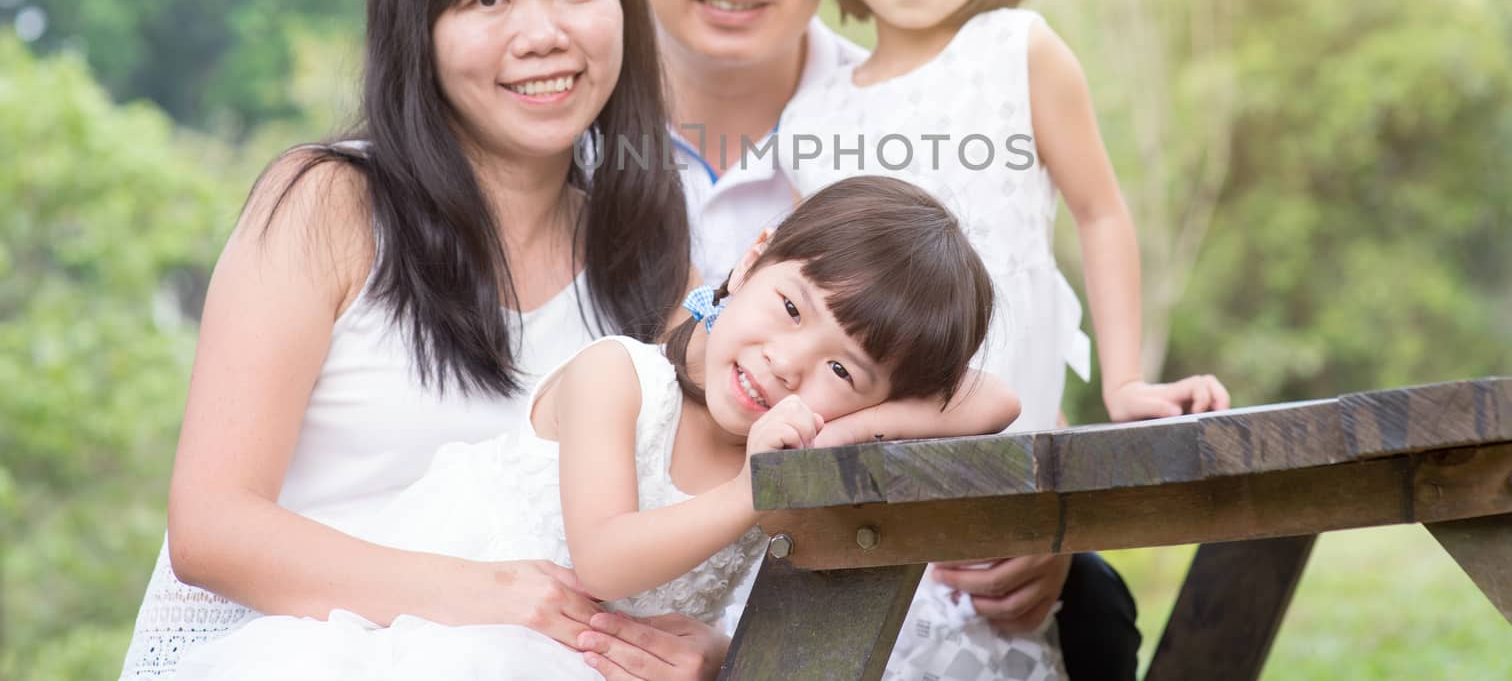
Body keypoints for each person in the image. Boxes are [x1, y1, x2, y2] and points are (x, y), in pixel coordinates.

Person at [617, 0, 1149, 679]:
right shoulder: (567, 117)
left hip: (976, 495)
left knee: (1085, 602)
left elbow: (1092, 224)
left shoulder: (995, 60)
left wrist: (1067, 485)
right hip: (738, 520)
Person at [120, 0, 696, 679]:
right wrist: (478, 593)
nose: (541, 34)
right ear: (415, 27)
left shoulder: (647, 263)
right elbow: (210, 525)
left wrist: (699, 647)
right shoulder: (328, 204)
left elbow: (685, 529)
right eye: (487, 0)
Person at [174, 176, 1017, 680]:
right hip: (437, 642)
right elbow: (607, 558)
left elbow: (995, 401)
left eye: (842, 369)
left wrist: (859, 423)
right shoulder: (619, 377)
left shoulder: (801, 440)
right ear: (752, 259)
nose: (790, 363)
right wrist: (762, 487)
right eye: (789, 307)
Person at [780, 0, 1234, 678]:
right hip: (875, 483)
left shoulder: (1017, 52)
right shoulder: (813, 117)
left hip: (1010, 466)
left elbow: (1101, 212)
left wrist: (1126, 383)